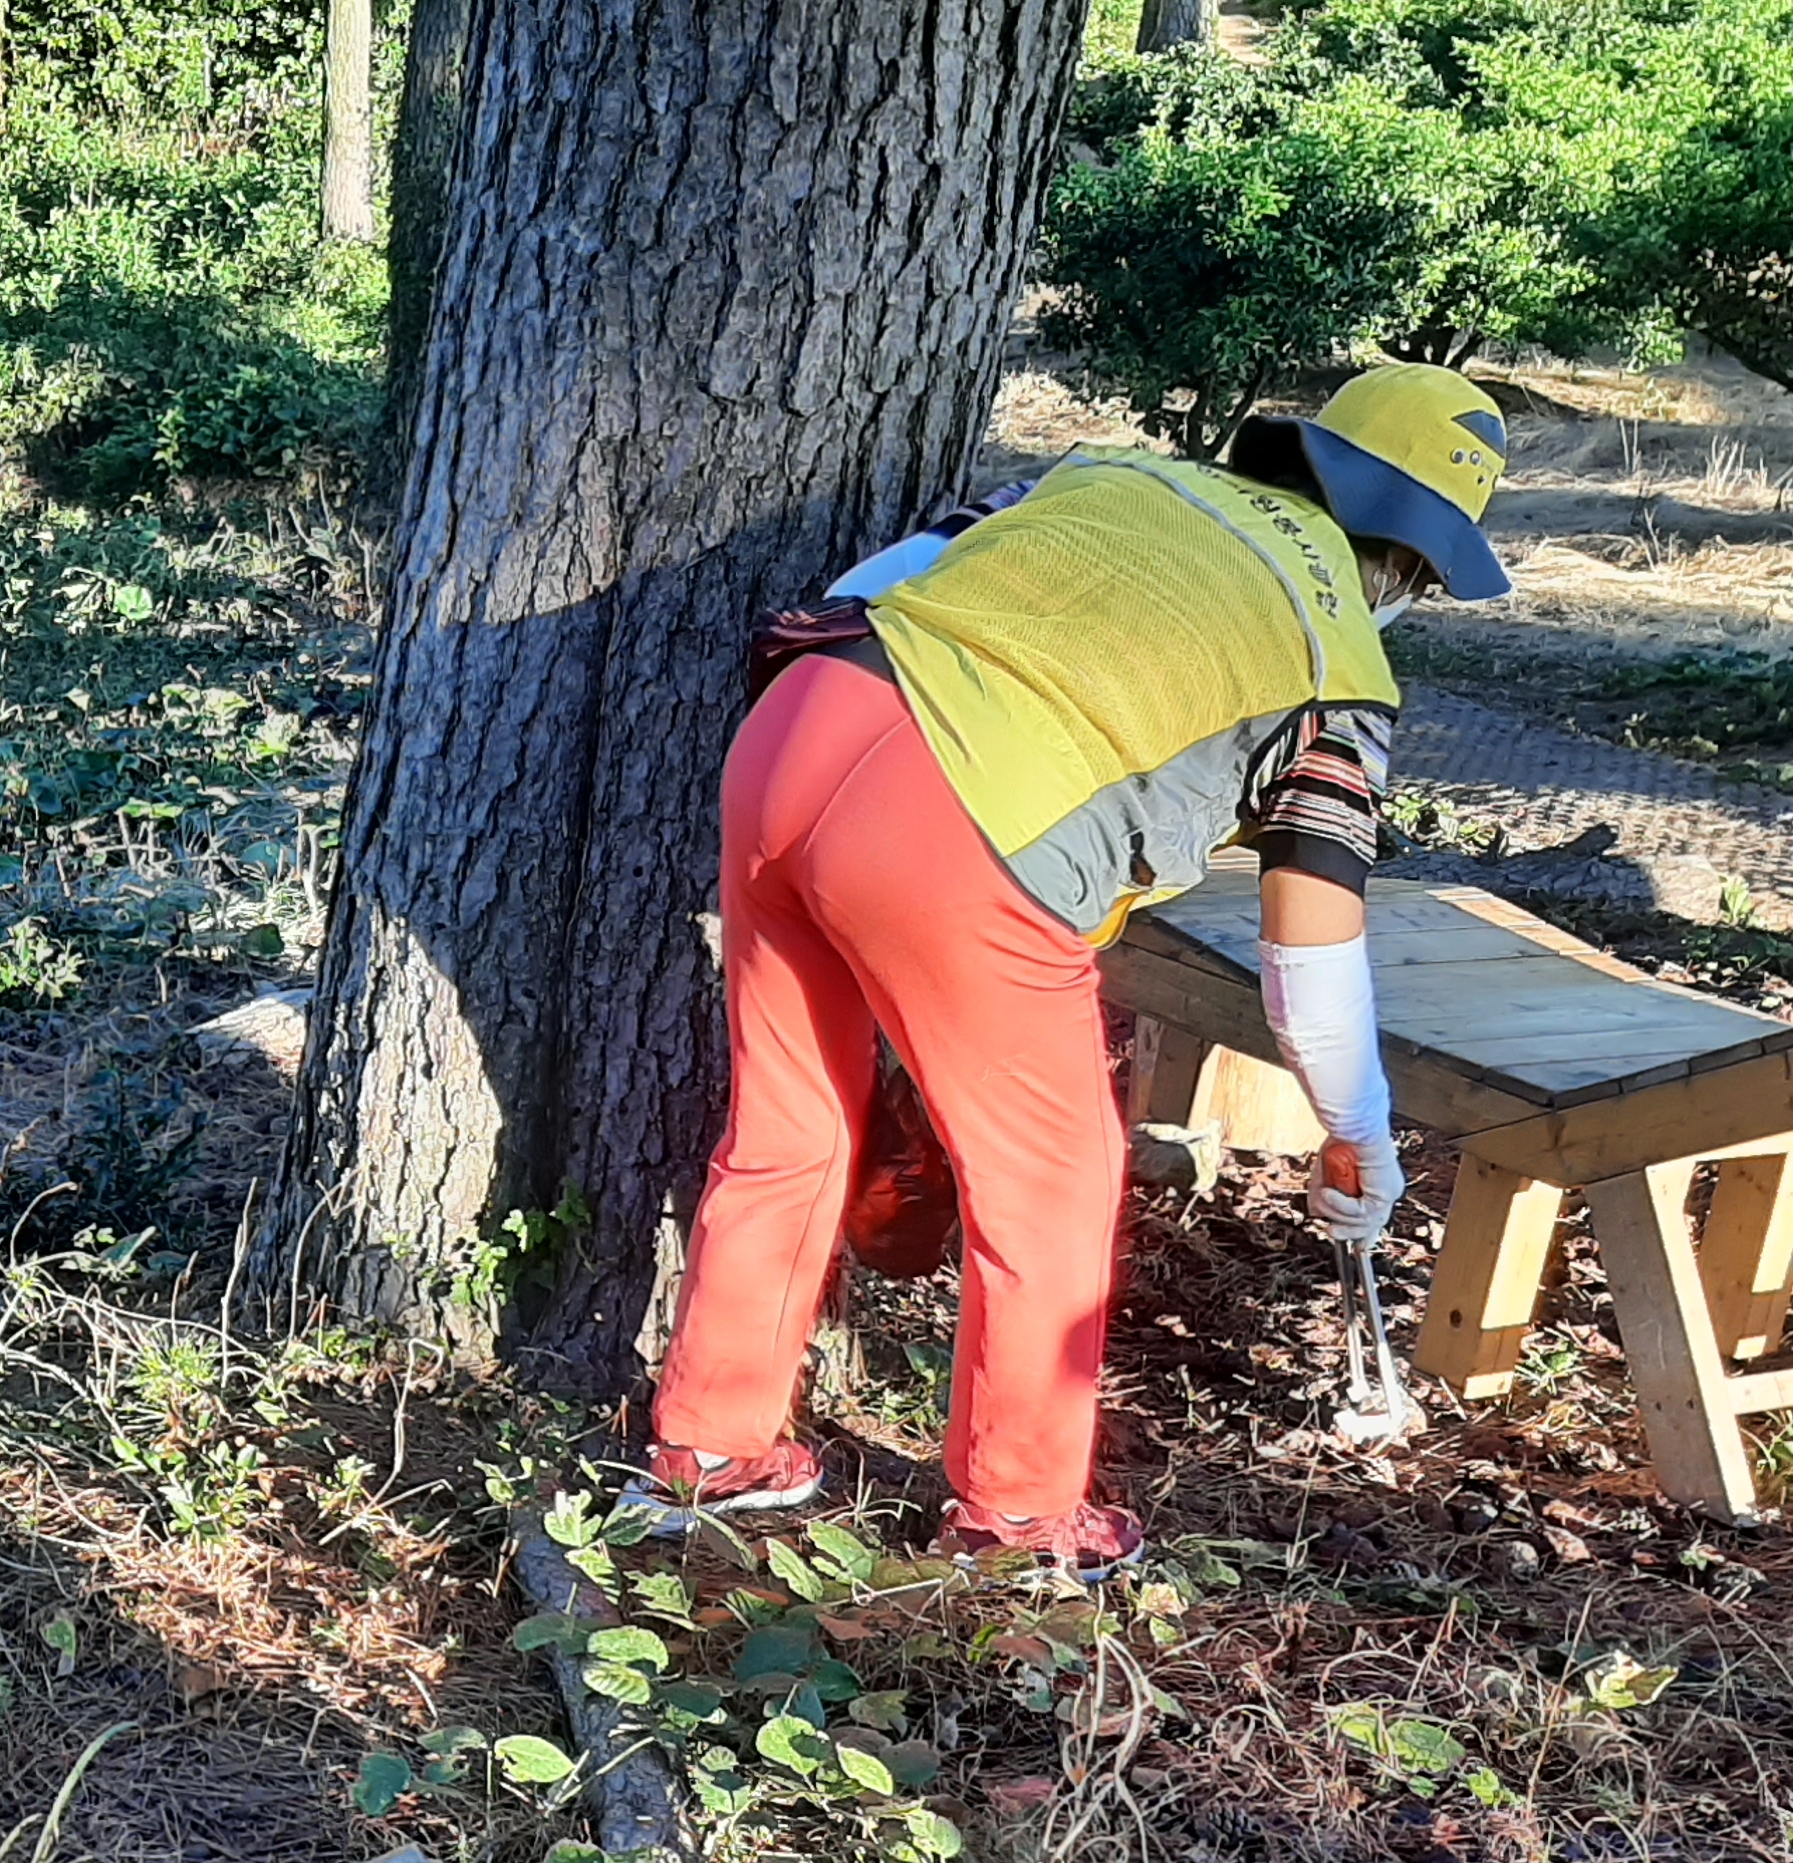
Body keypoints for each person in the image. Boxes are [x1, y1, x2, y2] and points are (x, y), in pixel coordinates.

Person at [638, 362, 1516, 1580]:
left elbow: (866, 590)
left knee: (792, 1125)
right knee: (1052, 1181)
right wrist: (1359, 1127)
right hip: (961, 840)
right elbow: (1309, 951)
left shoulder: (1116, 475)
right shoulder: (1343, 662)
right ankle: (1021, 1521)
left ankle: (712, 1452)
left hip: (795, 735)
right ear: (1414, 562)